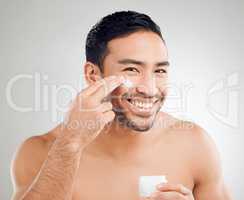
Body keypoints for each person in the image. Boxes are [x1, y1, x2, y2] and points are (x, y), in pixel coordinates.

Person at [11, 10, 232, 200]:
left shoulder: (195, 145)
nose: (150, 89)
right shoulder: (40, 152)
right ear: (93, 74)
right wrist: (70, 145)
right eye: (131, 70)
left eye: (160, 70)